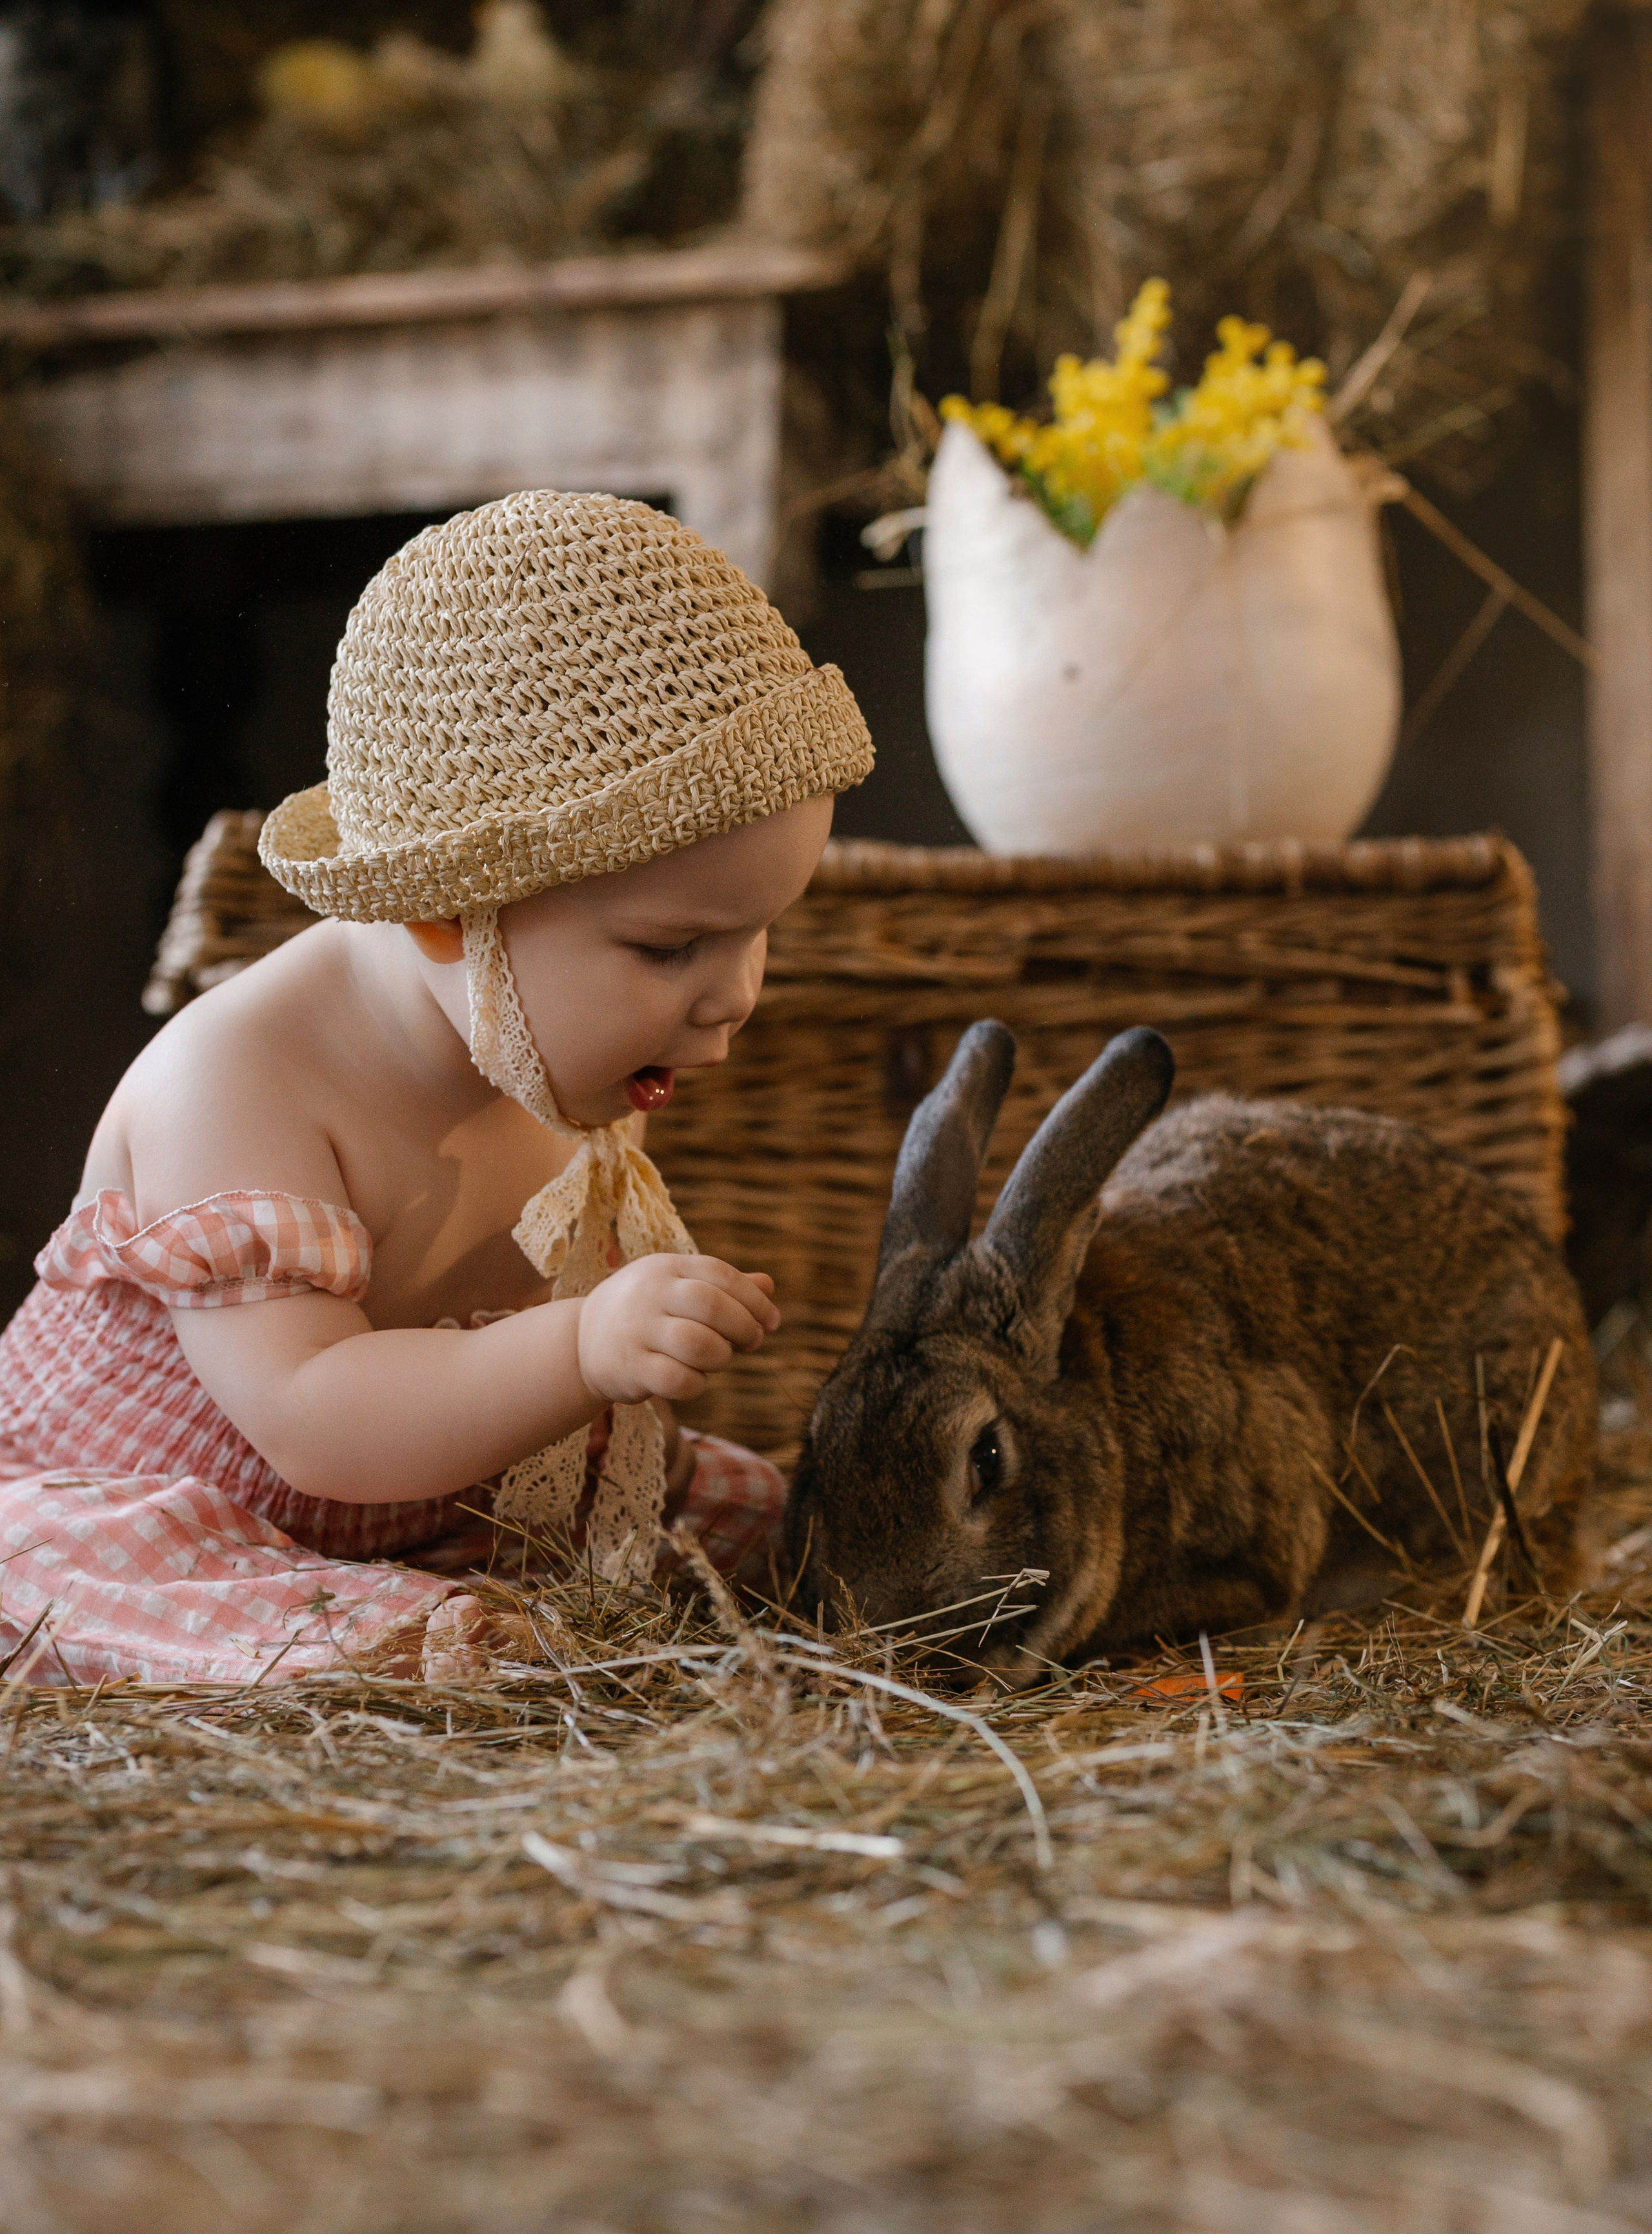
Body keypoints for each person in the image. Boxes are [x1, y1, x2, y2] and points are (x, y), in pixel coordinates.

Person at [0, 490, 873, 1684]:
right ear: (444, 909)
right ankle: (398, 1633)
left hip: (431, 1508)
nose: (734, 995)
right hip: (177, 1504)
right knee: (63, 1560)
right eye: (672, 949)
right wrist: (584, 1346)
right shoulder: (239, 1079)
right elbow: (315, 1419)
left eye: (759, 930)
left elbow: (508, 1393)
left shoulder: (546, 1057)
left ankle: (458, 1611)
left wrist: (623, 1386)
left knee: (774, 1524)